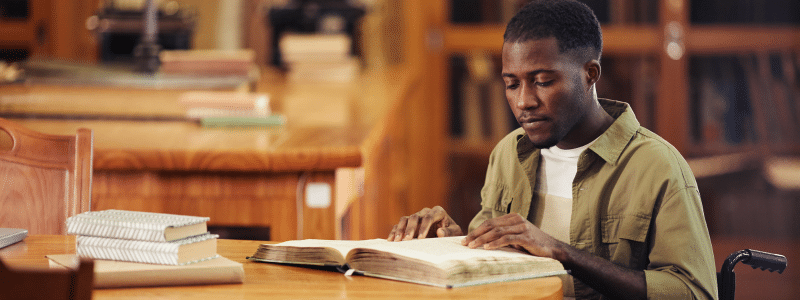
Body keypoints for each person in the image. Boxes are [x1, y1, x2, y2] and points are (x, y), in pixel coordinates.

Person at [386, 1, 718, 299]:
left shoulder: (657, 167)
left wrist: (560, 251)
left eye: (543, 81)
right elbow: (491, 261)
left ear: (590, 74)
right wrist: (447, 240)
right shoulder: (508, 154)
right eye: (512, 84)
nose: (523, 102)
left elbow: (693, 292)